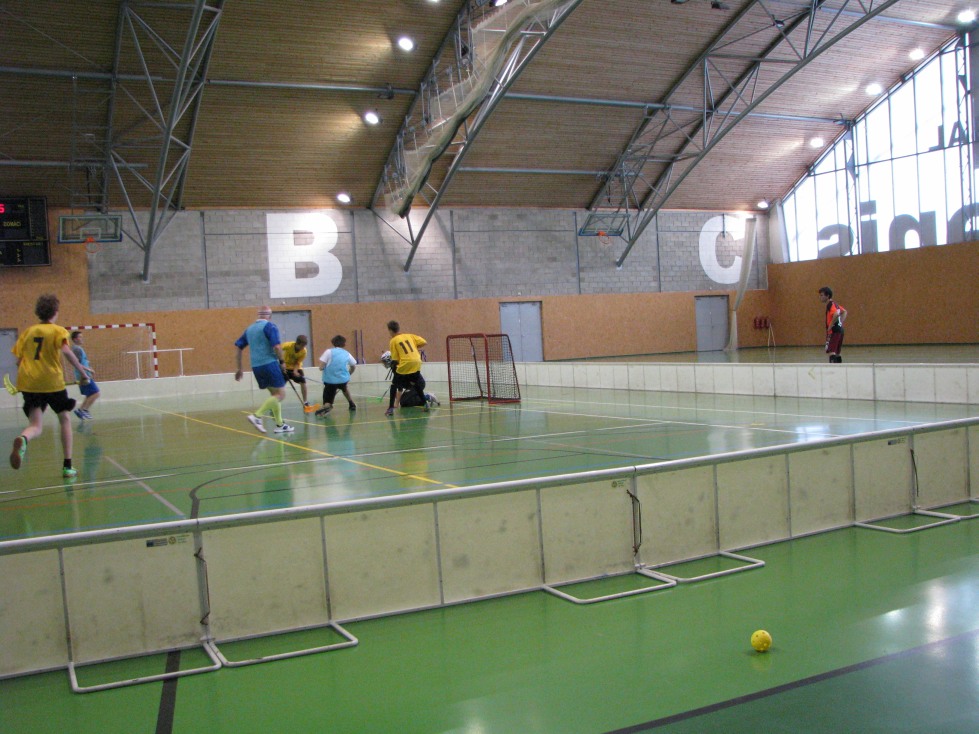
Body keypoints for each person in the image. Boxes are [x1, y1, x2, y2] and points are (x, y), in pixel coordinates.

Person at [9, 294, 94, 478]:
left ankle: (24, 439)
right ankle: (67, 466)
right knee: (64, 419)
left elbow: (19, 362)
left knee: (35, 425)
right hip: (51, 382)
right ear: (55, 311)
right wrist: (83, 372)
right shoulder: (58, 331)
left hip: (29, 382)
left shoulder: (28, 332)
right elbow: (67, 353)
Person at [234, 305, 294, 434]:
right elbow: (277, 347)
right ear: (270, 316)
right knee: (281, 395)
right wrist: (282, 362)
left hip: (256, 367)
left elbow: (238, 347)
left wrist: (239, 368)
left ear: (258, 315)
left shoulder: (249, 329)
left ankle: (280, 424)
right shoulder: (270, 327)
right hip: (270, 364)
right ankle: (257, 416)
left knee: (274, 395)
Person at [385, 320, 428, 417]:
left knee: (394, 385)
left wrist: (394, 369)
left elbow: (395, 359)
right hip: (417, 361)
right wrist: (415, 347)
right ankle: (425, 404)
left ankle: (390, 408)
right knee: (415, 384)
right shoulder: (410, 336)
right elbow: (424, 342)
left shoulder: (393, 341)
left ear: (390, 330)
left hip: (405, 363)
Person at [315, 334, 357, 416]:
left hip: (330, 381)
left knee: (328, 397)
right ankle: (351, 404)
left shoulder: (328, 352)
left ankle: (326, 407)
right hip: (343, 379)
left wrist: (322, 368)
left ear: (333, 343)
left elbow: (321, 367)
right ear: (344, 344)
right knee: (344, 388)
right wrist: (348, 374)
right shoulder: (347, 353)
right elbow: (353, 366)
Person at [70, 331, 100, 420]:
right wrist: (88, 370)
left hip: (84, 374)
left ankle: (81, 410)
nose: (82, 339)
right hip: (83, 375)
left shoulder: (79, 349)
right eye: (80, 337)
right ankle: (84, 410)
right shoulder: (77, 349)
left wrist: (88, 367)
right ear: (75, 339)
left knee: (90, 394)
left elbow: (83, 361)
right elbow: (77, 363)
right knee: (96, 393)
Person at [818, 286, 848, 363]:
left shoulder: (830, 304)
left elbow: (836, 314)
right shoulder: (835, 304)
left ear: (827, 296)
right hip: (839, 330)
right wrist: (840, 323)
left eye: (821, 295)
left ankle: (833, 368)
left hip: (834, 331)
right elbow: (844, 312)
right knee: (837, 352)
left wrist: (831, 325)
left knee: (831, 351)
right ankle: (839, 367)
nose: (820, 297)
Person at [281, 334, 310, 406]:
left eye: (304, 346)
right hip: (285, 367)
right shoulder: (288, 345)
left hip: (296, 367)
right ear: (297, 343)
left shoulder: (304, 351)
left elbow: (298, 362)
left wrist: (295, 370)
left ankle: (305, 402)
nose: (303, 348)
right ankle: (275, 403)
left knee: (303, 382)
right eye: (302, 346)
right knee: (280, 385)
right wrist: (281, 362)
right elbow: (278, 349)